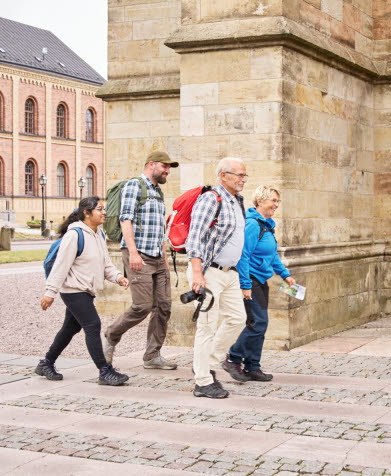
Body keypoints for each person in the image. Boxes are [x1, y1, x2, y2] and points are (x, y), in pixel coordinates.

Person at [36, 197, 131, 385]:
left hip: (87, 290)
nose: (104, 212)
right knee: (93, 325)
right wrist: (50, 292)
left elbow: (105, 264)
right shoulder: (74, 235)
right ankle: (105, 371)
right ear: (86, 213)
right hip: (73, 290)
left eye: (103, 209)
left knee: (70, 328)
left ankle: (46, 363)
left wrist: (118, 277)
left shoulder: (99, 235)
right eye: (99, 209)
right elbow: (61, 267)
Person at [103, 151, 178, 370]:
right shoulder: (135, 186)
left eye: (169, 168)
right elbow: (125, 219)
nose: (167, 171)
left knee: (163, 306)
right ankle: (111, 334)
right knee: (142, 305)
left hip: (157, 257)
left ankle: (152, 355)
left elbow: (158, 227)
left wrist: (164, 255)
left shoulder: (157, 191)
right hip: (140, 256)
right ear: (151, 165)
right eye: (165, 166)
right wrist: (133, 253)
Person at [185, 157, 248, 398]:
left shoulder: (236, 201)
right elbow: (195, 237)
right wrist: (197, 273)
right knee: (207, 325)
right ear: (223, 176)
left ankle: (208, 363)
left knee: (237, 318)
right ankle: (202, 381)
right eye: (238, 175)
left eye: (244, 175)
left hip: (229, 273)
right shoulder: (211, 199)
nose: (243, 179)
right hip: (209, 271)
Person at [224, 185, 296, 382]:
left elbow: (272, 255)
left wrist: (285, 275)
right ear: (260, 201)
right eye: (273, 200)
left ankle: (252, 366)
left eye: (277, 201)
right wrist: (245, 284)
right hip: (251, 279)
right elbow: (243, 256)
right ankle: (233, 357)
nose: (276, 205)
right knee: (259, 322)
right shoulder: (253, 224)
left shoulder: (267, 224)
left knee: (259, 324)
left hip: (261, 280)